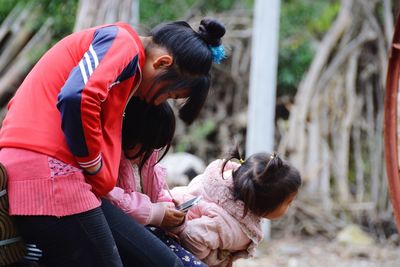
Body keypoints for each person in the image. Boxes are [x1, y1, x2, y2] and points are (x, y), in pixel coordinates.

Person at [0, 17, 226, 266]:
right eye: (170, 94)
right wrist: (93, 163)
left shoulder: (127, 66)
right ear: (162, 63)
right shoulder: (123, 43)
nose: (161, 102)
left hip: (65, 179)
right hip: (47, 174)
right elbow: (78, 96)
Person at [105, 96, 206, 266]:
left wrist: (172, 216)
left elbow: (158, 194)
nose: (148, 151)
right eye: (145, 144)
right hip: (125, 236)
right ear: (131, 133)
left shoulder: (149, 159)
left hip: (153, 231)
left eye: (154, 146)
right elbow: (112, 199)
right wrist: (156, 214)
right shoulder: (113, 160)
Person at [170, 146, 302, 267]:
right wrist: (210, 261)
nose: (291, 205)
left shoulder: (226, 182)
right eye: (288, 202)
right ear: (265, 204)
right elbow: (191, 236)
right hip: (167, 238)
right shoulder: (230, 226)